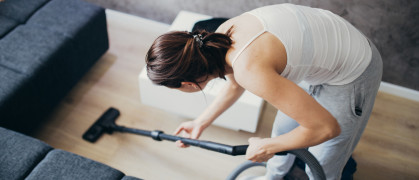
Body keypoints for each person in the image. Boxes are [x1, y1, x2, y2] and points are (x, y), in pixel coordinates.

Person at [145, 3, 382, 180]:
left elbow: (327, 128)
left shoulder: (250, 69)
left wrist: (269, 147)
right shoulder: (215, 41)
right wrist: (200, 122)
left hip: (353, 71)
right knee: (282, 131)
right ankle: (273, 177)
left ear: (187, 84)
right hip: (319, 61)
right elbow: (235, 84)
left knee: (322, 161)